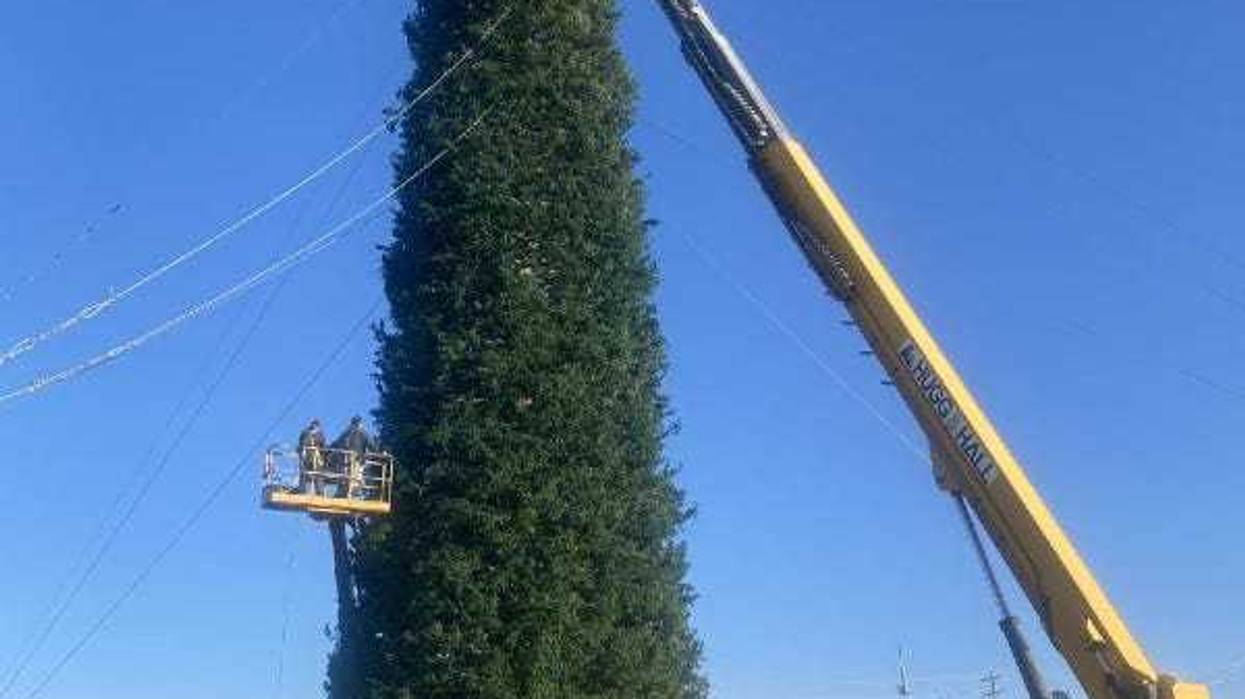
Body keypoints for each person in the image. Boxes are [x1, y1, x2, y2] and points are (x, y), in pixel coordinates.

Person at [332, 416, 376, 499]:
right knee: (348, 476)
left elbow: (371, 445)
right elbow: (371, 445)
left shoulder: (356, 433)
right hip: (349, 459)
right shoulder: (351, 433)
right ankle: (346, 492)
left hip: (356, 459)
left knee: (353, 477)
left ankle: (352, 493)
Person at [298, 419, 327, 495]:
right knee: (305, 473)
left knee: (317, 474)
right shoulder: (305, 433)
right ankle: (303, 490)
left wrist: (322, 456)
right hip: (307, 456)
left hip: (316, 456)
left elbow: (323, 447)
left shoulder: (320, 435)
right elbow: (301, 444)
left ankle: (319, 491)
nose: (315, 427)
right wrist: (302, 453)